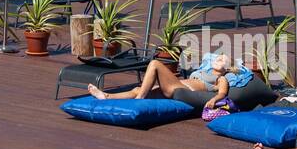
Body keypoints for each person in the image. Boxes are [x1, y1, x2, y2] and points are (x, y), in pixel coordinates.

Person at [88, 53, 233, 111]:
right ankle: (106, 96)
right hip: (177, 85)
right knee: (138, 89)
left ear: (227, 67)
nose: (217, 59)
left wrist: (214, 100)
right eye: (217, 57)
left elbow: (223, 93)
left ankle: (139, 100)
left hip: (182, 91)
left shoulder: (221, 78)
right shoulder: (203, 71)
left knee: (155, 64)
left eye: (222, 60)